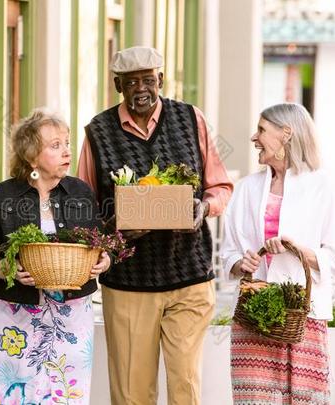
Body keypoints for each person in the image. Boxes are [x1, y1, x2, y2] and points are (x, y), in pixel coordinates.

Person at [77, 46, 233, 404]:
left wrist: (202, 208)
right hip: (129, 284)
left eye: (148, 80)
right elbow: (83, 209)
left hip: (189, 279)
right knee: (132, 393)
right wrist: (116, 228)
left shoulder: (191, 119)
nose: (141, 89)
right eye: (131, 82)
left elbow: (220, 187)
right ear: (118, 85)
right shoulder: (98, 132)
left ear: (161, 80)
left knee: (185, 387)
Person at [0, 109, 111, 404]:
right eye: (55, 145)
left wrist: (105, 259)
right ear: (32, 156)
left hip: (71, 313)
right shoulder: (1, 195)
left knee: (66, 392)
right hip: (18, 314)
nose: (66, 151)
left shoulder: (80, 191)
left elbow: (101, 243)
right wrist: (3, 268)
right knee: (15, 390)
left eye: (66, 143)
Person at [220, 103, 335, 404]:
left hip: (302, 316)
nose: (254, 137)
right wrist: (241, 262)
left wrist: (299, 251)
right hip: (255, 314)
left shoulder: (322, 186)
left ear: (286, 134)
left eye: (262, 130)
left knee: (305, 400)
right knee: (253, 400)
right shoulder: (246, 188)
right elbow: (228, 253)